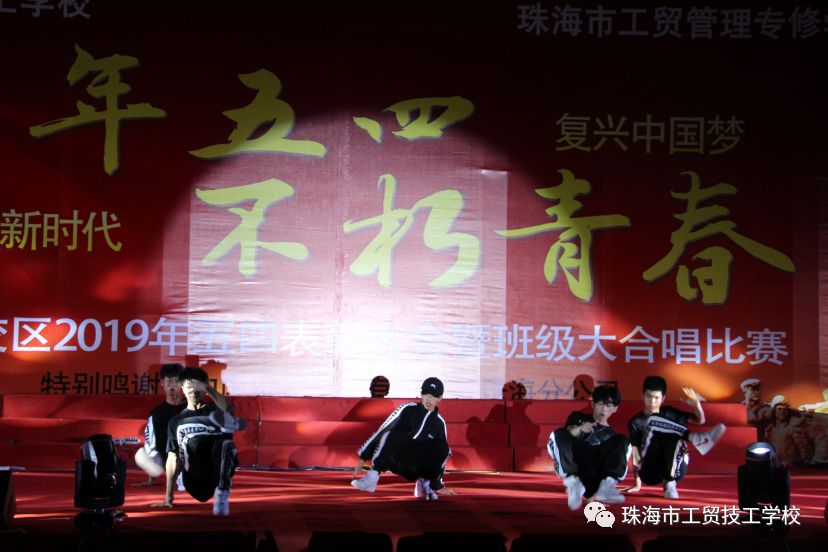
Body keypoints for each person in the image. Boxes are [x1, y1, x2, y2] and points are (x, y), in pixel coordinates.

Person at [151, 367, 246, 516]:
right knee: (192, 444)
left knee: (224, 445)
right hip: (193, 477)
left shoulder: (216, 411)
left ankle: (222, 492)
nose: (193, 391)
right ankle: (187, 480)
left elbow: (228, 408)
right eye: (189, 387)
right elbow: (172, 458)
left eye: (197, 387)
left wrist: (207, 387)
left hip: (216, 472)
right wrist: (168, 496)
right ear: (182, 388)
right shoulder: (176, 421)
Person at [351, 377, 454, 500]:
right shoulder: (407, 409)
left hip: (417, 468)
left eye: (434, 396)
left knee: (443, 447)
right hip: (397, 461)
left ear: (440, 398)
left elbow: (441, 459)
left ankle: (425, 483)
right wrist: (364, 456)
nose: (429, 399)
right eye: (426, 394)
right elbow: (383, 430)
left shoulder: (439, 423)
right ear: (421, 394)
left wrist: (438, 485)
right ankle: (372, 478)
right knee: (390, 434)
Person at [625, 376, 726, 499]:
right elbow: (635, 453)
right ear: (643, 396)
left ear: (663, 398)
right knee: (652, 420)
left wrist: (696, 405)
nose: (652, 402)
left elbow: (700, 420)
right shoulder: (635, 422)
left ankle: (669, 484)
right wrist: (637, 483)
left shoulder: (669, 412)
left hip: (676, 468)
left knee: (673, 438)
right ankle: (696, 438)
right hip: (650, 469)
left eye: (656, 398)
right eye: (648, 396)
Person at [547, 385, 630, 510]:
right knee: (557, 434)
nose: (604, 409)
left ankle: (607, 486)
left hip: (596, 476)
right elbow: (567, 433)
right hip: (577, 468)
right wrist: (580, 429)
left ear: (615, 408)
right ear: (593, 404)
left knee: (623, 441)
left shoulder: (612, 437)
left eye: (608, 405)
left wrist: (593, 498)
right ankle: (573, 483)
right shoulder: (578, 417)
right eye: (600, 403)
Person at [134, 363, 186, 487]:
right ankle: (176, 475)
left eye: (176, 381)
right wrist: (151, 479)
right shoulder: (156, 414)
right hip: (168, 460)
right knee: (140, 454)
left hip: (188, 458)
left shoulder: (192, 408)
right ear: (162, 383)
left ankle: (187, 476)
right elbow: (151, 443)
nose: (172, 385)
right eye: (169, 381)